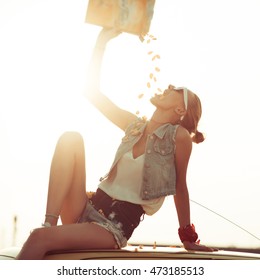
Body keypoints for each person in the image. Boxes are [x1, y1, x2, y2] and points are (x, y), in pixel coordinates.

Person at [17, 28, 216, 260]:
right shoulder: (134, 125)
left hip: (113, 226)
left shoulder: (178, 137)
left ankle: (45, 234)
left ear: (180, 110)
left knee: (37, 239)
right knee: (71, 138)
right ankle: (49, 223)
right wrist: (102, 40)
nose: (169, 86)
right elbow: (91, 93)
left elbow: (180, 187)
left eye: (176, 90)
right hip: (86, 206)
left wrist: (188, 238)